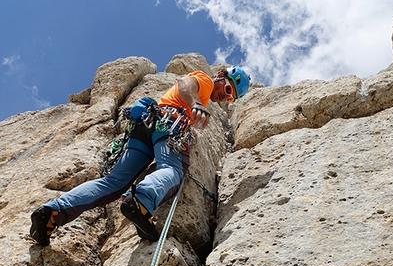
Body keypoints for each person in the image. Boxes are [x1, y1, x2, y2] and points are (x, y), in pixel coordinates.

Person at [29, 66, 250, 247]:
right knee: (173, 170)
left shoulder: (207, 90)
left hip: (145, 127)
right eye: (228, 89)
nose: (225, 97)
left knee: (113, 183)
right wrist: (196, 104)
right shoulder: (205, 81)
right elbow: (186, 83)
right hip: (168, 124)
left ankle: (53, 211)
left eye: (230, 99)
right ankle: (141, 200)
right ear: (221, 75)